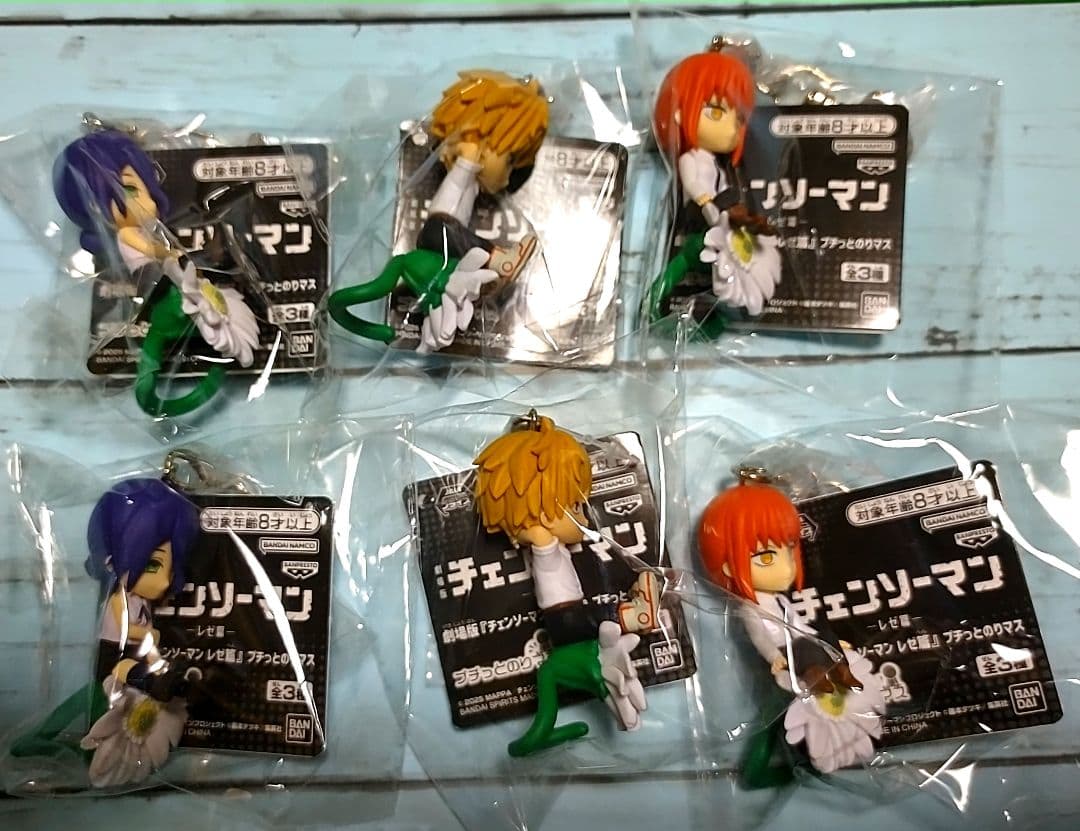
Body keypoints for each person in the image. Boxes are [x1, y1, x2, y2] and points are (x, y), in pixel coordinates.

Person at [473, 413, 659, 756]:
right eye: (573, 506)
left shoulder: (549, 546)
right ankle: (636, 616)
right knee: (603, 624)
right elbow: (540, 535)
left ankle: (632, 621)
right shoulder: (544, 546)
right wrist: (529, 526)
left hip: (568, 620)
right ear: (540, 512)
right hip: (567, 619)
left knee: (584, 654)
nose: (583, 518)